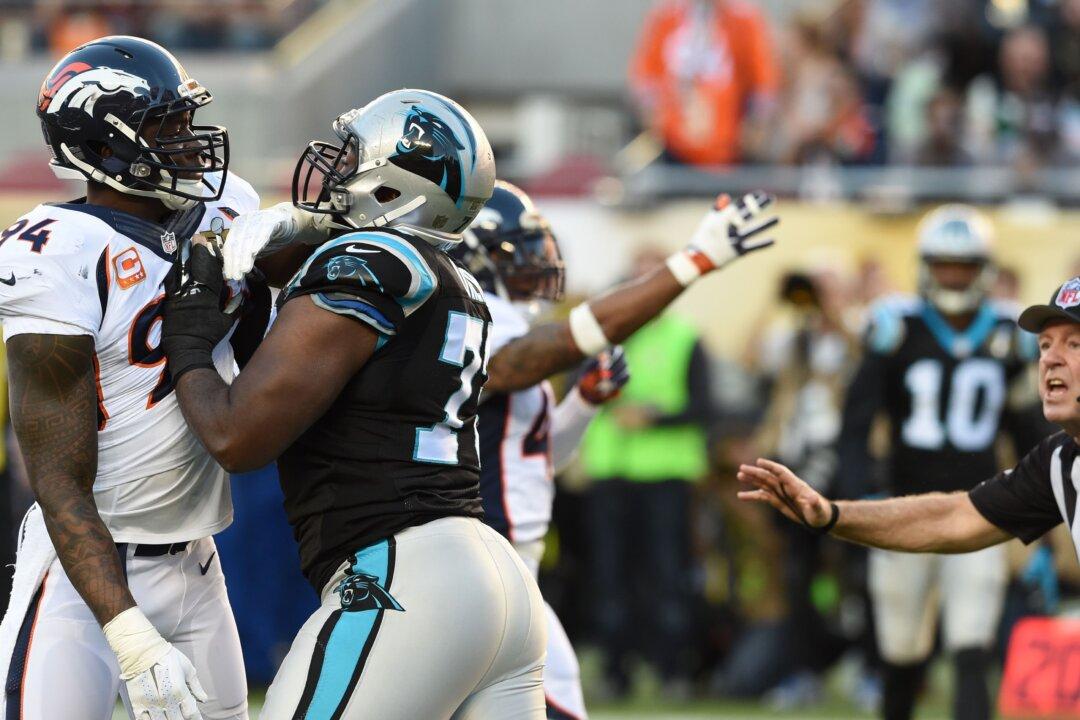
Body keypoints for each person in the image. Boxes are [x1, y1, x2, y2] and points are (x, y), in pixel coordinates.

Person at [162, 91, 780, 717]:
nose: (336, 173)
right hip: (493, 582)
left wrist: (185, 336)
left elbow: (236, 437)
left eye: (353, 161)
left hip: (403, 574)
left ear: (393, 185)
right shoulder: (454, 282)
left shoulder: (370, 262)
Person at [0, 36, 259, 720]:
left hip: (197, 559)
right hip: (82, 576)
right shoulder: (55, 255)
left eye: (183, 122)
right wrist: (128, 632)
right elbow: (56, 481)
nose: (189, 143)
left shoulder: (224, 207)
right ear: (103, 145)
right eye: (164, 127)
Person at [738, 272, 1080, 650]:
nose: (1050, 359)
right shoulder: (1058, 459)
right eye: (1046, 344)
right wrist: (832, 514)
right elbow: (953, 518)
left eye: (1075, 344)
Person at [802, 206, 1046, 720]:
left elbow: (1031, 433)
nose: (953, 276)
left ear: (983, 268)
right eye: (943, 265)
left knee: (971, 643)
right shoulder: (895, 327)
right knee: (903, 650)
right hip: (903, 506)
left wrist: (1041, 518)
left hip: (983, 507)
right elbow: (855, 424)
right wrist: (857, 496)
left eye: (963, 265)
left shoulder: (1009, 333)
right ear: (925, 266)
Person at [450, 180, 630, 720]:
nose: (535, 265)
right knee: (555, 694)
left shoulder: (514, 328)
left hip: (508, 556)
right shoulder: (482, 327)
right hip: (488, 551)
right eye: (517, 253)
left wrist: (585, 401)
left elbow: (544, 458)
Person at [629, 0, 780, 165]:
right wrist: (650, 112)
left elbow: (763, 81)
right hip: (671, 140)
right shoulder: (666, 14)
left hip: (730, 144)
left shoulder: (744, 16)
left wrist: (756, 121)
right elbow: (645, 74)